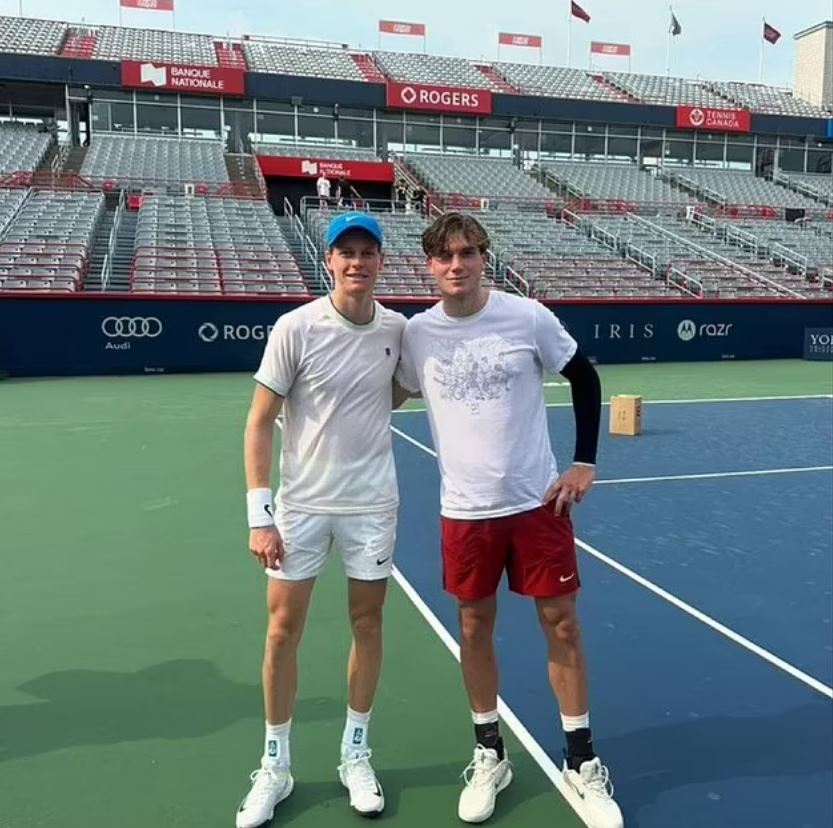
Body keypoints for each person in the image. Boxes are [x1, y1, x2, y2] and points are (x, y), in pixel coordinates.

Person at [394, 212, 623, 828]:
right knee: (473, 629)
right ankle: (490, 752)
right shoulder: (416, 334)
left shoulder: (527, 317)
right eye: (444, 256)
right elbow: (389, 392)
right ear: (429, 266)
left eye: (467, 253)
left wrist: (584, 462)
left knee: (563, 627)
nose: (456, 265)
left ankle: (581, 760)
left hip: (537, 505)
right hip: (465, 513)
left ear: (483, 259)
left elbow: (583, 374)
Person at [236, 212, 406, 828]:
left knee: (368, 621)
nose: (357, 261)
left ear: (381, 262)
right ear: (328, 261)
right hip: (302, 508)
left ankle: (354, 754)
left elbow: (399, 388)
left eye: (367, 251)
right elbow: (259, 422)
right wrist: (262, 515)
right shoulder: (295, 328)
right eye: (346, 252)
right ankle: (275, 765)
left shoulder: (397, 330)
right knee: (282, 630)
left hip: (372, 507)